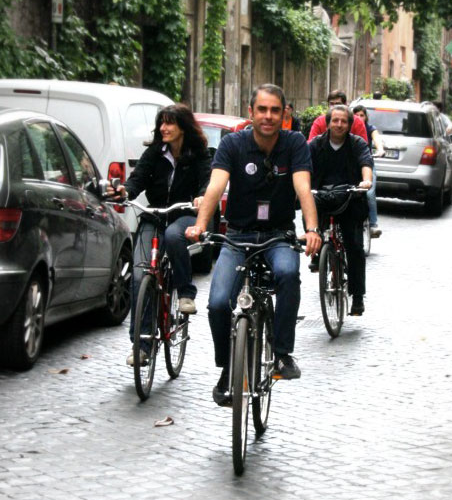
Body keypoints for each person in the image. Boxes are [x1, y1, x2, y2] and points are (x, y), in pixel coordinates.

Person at [187, 83, 322, 404]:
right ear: (251, 113)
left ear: (284, 114)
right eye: (262, 109)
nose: (268, 116)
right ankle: (228, 367)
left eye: (275, 110)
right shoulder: (233, 144)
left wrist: (312, 229)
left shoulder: (295, 144)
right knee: (218, 303)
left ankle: (282, 354)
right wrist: (200, 225)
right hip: (237, 236)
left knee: (289, 275)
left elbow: (303, 189)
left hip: (278, 235)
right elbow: (216, 186)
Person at [109, 104, 211, 366]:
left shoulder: (198, 154)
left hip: (182, 214)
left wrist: (201, 196)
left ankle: (186, 292)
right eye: (161, 123)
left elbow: (207, 181)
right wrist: (126, 193)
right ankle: (140, 347)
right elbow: (137, 179)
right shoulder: (154, 152)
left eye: (170, 123)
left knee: (176, 237)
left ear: (183, 127)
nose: (164, 128)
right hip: (154, 215)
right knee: (140, 276)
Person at [309, 104, 373, 316]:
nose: (339, 124)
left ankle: (357, 297)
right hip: (321, 196)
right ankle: (317, 251)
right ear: (328, 123)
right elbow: (303, 167)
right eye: (335, 120)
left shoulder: (357, 144)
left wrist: (365, 182)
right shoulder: (316, 145)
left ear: (349, 124)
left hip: (350, 197)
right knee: (310, 218)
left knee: (354, 246)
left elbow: (366, 164)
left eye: (343, 121)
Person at [352, 104, 385, 238]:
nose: (359, 118)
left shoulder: (370, 128)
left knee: (370, 192)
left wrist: (380, 149)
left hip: (367, 163)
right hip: (351, 164)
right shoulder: (349, 126)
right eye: (356, 115)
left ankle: (373, 224)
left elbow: (377, 138)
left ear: (366, 117)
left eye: (362, 115)